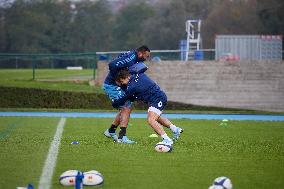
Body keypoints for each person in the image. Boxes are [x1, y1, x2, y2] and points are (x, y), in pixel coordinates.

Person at [113, 69, 183, 146]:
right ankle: (175, 129)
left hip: (158, 99)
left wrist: (115, 103)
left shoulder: (132, 87)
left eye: (122, 82)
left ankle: (167, 140)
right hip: (158, 98)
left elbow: (125, 98)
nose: (123, 84)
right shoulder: (139, 74)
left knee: (151, 120)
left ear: (125, 78)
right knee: (157, 118)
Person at [103, 45, 151, 144]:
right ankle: (122, 137)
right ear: (140, 53)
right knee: (126, 108)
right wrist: (118, 80)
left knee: (126, 107)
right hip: (112, 85)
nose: (146, 59)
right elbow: (112, 65)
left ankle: (111, 131)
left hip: (118, 86)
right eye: (146, 56)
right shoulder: (131, 57)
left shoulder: (134, 58)